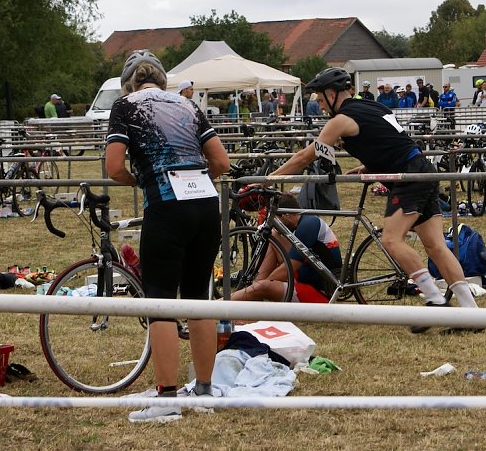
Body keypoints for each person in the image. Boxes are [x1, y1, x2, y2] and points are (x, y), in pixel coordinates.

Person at [269, 67, 480, 331]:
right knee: (436, 246)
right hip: (421, 168)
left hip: (408, 177)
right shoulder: (372, 107)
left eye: (322, 100)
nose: (321, 107)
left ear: (332, 94)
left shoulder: (340, 120)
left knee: (391, 239)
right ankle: (472, 315)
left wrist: (268, 179)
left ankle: (436, 301)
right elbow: (390, 140)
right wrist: (370, 166)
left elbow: (305, 157)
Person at [105, 49, 230, 423]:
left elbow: (113, 167)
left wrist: (140, 180)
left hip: (166, 203)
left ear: (129, 83)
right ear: (163, 80)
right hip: (206, 203)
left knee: (159, 302)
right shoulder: (187, 105)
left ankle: (167, 398)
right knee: (198, 299)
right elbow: (221, 162)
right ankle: (205, 391)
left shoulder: (126, 105)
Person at [231, 193, 341, 303]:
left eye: (276, 219)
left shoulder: (308, 225)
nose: (275, 224)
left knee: (263, 286)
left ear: (286, 215)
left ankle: (220, 304)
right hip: (306, 279)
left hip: (319, 293)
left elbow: (289, 268)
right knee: (273, 235)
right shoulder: (303, 222)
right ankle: (255, 291)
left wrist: (263, 286)